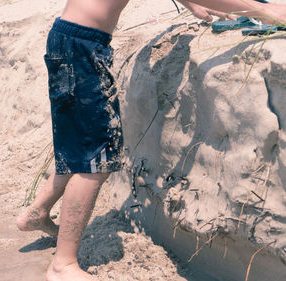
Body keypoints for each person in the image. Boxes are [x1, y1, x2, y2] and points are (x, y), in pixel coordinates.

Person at [16, 1, 286, 280]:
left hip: (69, 38)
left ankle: (38, 211)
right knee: (96, 162)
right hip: (83, 47)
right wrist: (263, 10)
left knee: (79, 142)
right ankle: (63, 265)